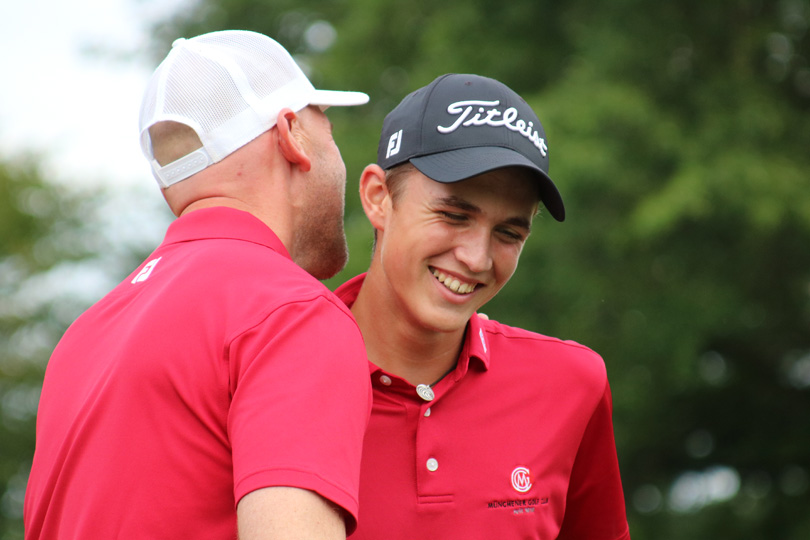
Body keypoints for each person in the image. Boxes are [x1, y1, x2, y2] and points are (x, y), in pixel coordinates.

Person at [24, 30, 371, 540]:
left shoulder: (83, 334)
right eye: (328, 127)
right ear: (292, 134)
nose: (336, 155)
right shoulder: (289, 313)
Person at [335, 74, 631, 539]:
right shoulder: (275, 371)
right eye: (454, 215)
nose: (476, 258)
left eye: (509, 233)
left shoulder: (572, 383)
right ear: (378, 198)